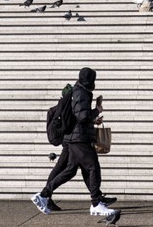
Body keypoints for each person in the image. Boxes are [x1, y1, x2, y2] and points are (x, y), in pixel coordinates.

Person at [31, 68, 118, 217]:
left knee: (71, 170)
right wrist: (97, 110)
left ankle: (44, 195)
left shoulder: (80, 91)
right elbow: (82, 116)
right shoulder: (81, 93)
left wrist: (93, 118)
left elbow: (78, 114)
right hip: (78, 139)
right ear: (90, 80)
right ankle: (96, 203)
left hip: (76, 138)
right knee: (93, 167)